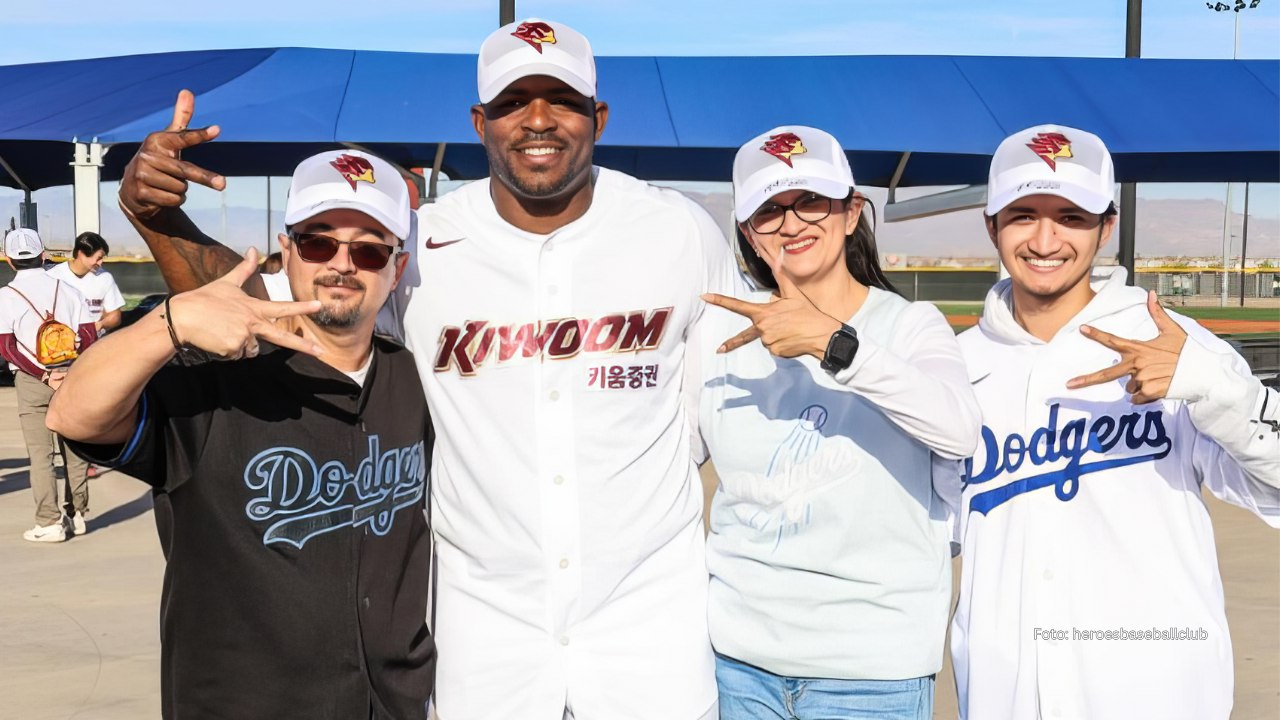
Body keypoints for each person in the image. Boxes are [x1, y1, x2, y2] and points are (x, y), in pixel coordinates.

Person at [116, 19, 733, 720]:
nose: (537, 119)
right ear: (479, 121)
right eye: (511, 102)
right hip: (484, 633)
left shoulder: (677, 231)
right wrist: (157, 219)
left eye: (560, 99)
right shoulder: (426, 245)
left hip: (649, 627)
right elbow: (269, 315)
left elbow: (709, 409)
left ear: (599, 117)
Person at [48, 148, 436, 719]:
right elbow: (74, 417)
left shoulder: (415, 379)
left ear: (396, 269)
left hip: (391, 703)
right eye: (319, 241)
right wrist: (170, 322)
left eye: (371, 249)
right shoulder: (217, 376)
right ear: (288, 250)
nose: (342, 264)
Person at [948, 124, 1280, 720]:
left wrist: (1216, 392)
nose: (1046, 239)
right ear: (991, 224)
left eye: (1071, 216)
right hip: (1007, 696)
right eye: (1023, 214)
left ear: (1107, 226)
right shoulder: (958, 365)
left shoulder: (1173, 344)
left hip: (1156, 694)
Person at [698, 126, 981, 719]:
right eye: (769, 210)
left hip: (871, 673)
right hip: (739, 665)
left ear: (852, 213)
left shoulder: (910, 327)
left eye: (810, 201)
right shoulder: (720, 340)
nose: (792, 223)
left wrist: (834, 344)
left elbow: (957, 429)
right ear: (747, 232)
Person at [0, 228, 97, 542]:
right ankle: (77, 514)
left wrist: (44, 376)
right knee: (75, 450)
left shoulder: (5, 297)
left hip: (32, 381)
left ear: (10, 262)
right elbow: (90, 336)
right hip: (73, 377)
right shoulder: (69, 290)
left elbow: (6, 347)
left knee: (40, 456)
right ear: (43, 256)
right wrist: (70, 372)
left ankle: (49, 522)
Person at [46, 231, 125, 336]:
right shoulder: (53, 276)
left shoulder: (105, 278)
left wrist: (99, 325)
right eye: (98, 258)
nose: (101, 263)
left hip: (93, 342)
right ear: (81, 254)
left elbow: (115, 316)